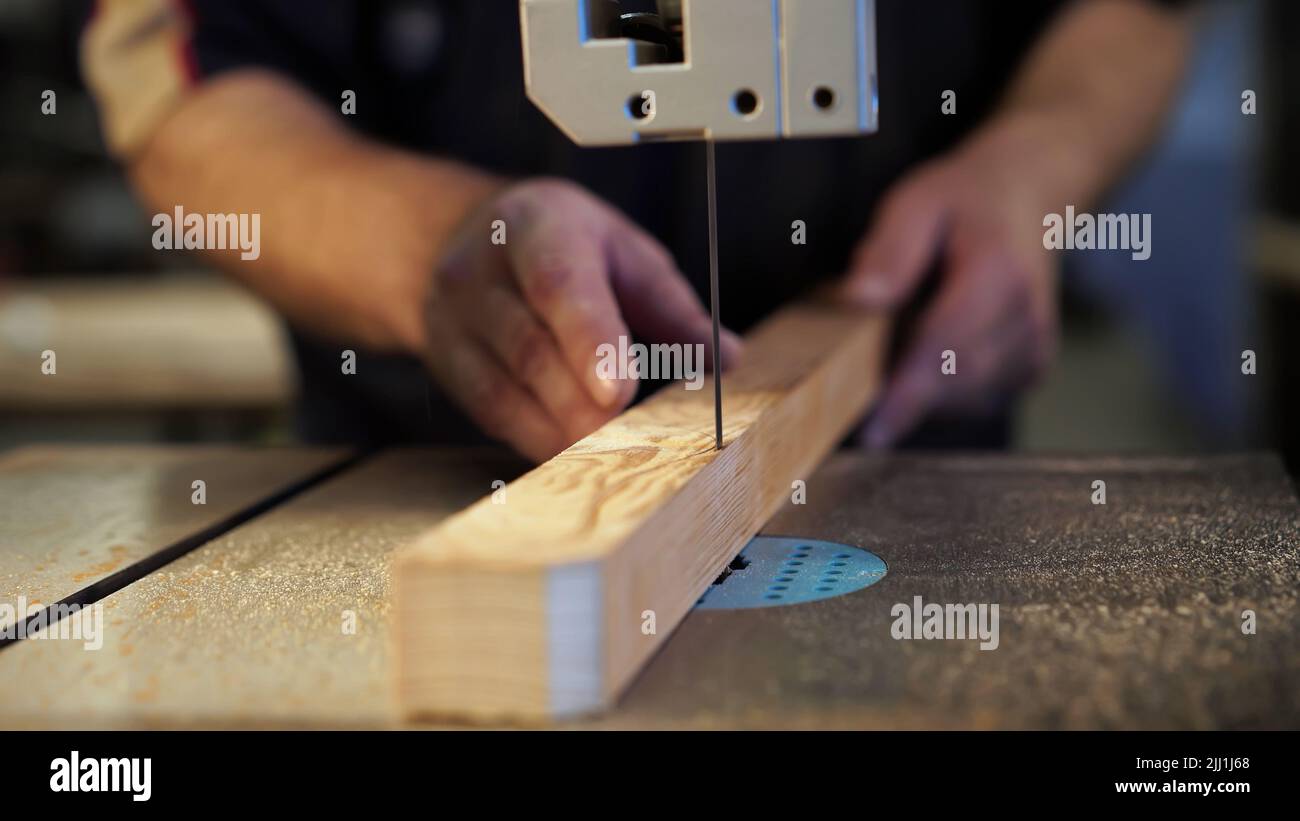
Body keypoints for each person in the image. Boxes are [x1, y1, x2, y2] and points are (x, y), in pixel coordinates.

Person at [79, 0, 1193, 462]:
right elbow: (189, 85)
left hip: (908, 446)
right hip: (426, 467)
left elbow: (1133, 14)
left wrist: (1031, 163)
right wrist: (434, 242)